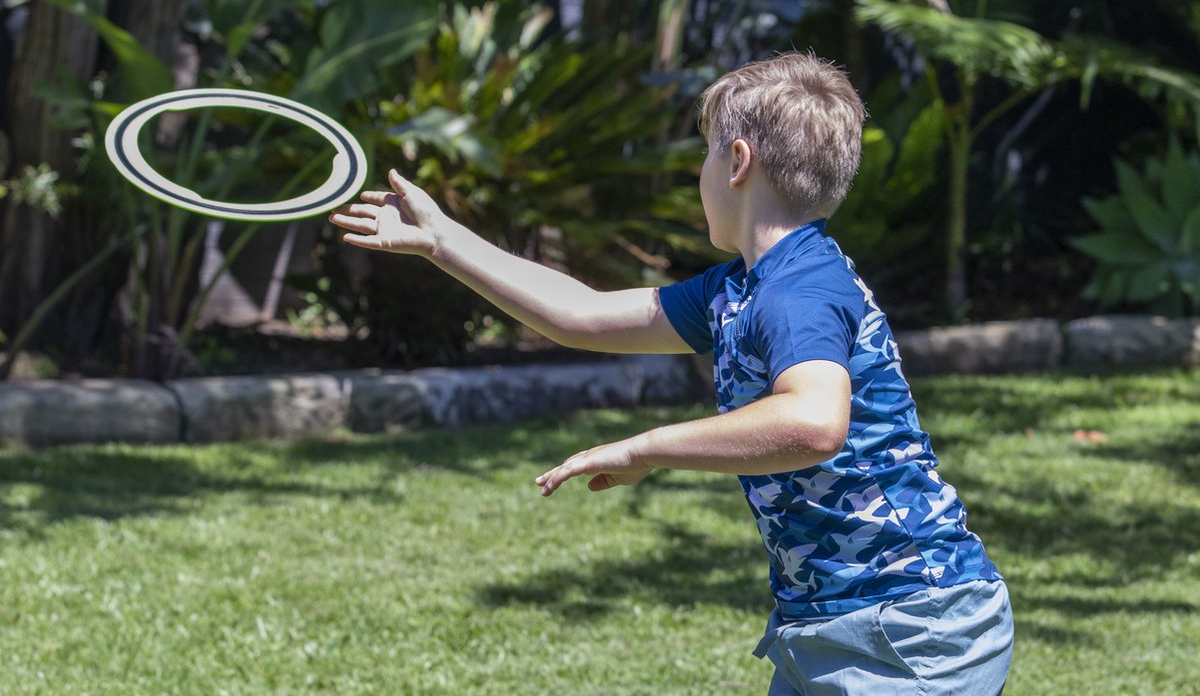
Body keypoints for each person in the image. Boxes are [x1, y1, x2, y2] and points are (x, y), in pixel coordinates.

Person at [329, 51, 1013, 695]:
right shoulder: (739, 288)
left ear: (738, 161)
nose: (701, 175)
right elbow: (583, 313)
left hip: (908, 629)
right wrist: (445, 241)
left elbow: (812, 422)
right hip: (832, 625)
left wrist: (644, 448)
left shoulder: (799, 288)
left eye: (706, 153)